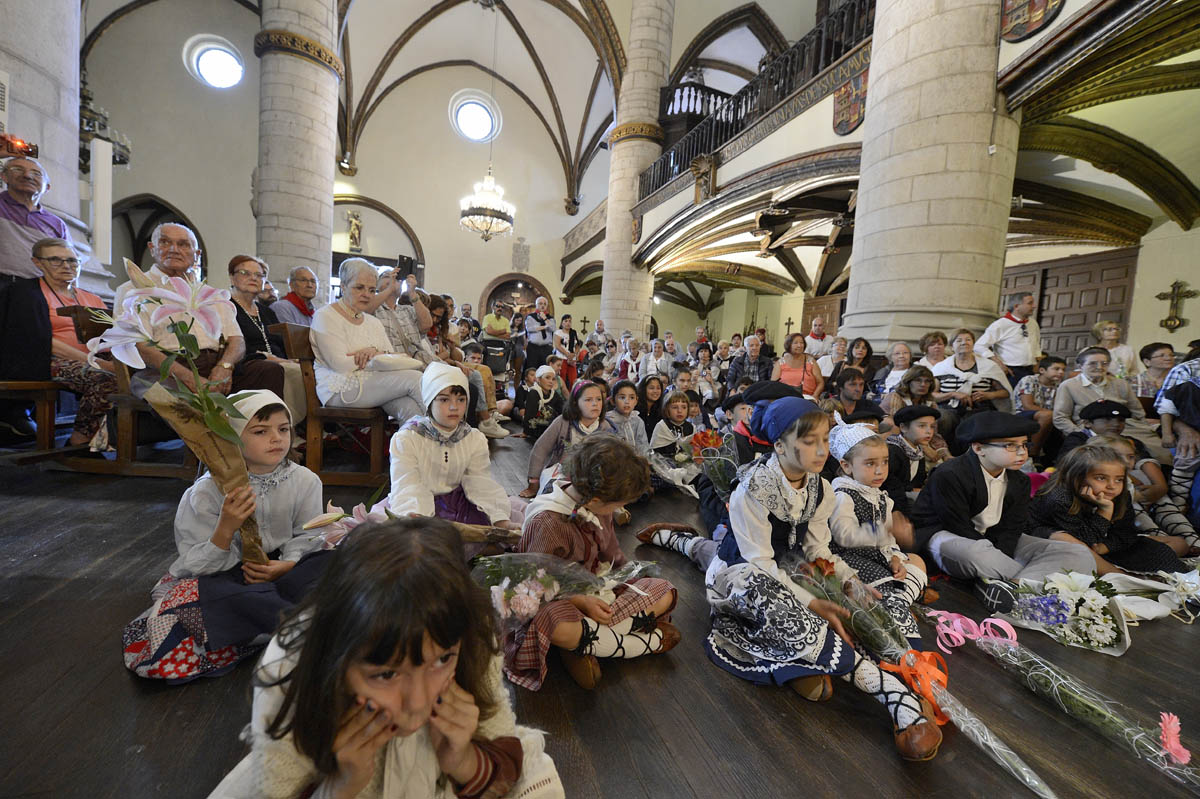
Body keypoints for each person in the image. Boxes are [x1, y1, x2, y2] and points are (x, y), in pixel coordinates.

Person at [211, 518, 561, 798]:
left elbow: (500, 742)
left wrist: (463, 760)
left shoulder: (471, 635)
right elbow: (277, 787)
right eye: (386, 674)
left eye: (442, 660)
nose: (418, 703)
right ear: (336, 660)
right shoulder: (292, 670)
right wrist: (340, 786)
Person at [702, 397, 942, 761]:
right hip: (747, 572)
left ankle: (902, 671)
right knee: (782, 604)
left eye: (825, 440)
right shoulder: (751, 490)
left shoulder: (821, 488)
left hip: (793, 566)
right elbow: (760, 562)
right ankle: (893, 695)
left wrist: (848, 582)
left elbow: (818, 550)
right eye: (808, 440)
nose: (820, 451)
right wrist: (812, 600)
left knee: (858, 602)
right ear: (779, 445)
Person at [121, 391, 330, 682]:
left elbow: (309, 535)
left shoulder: (305, 480)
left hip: (282, 569)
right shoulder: (206, 492)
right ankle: (293, 624)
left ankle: (271, 622)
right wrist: (226, 527)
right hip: (226, 573)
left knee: (332, 562)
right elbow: (196, 563)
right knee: (216, 598)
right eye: (260, 431)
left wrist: (289, 564)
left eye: (283, 429)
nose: (276, 438)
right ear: (230, 439)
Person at [509, 435, 679, 690]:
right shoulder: (548, 523)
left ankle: (591, 641)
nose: (620, 508)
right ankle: (640, 642)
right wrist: (580, 601)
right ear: (595, 501)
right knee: (554, 622)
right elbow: (534, 585)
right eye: (620, 504)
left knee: (663, 590)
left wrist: (629, 581)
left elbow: (612, 553)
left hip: (597, 588)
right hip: (560, 599)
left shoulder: (597, 508)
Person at [909, 412, 1095, 613]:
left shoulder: (1020, 481)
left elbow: (1011, 529)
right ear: (979, 448)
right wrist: (1002, 558)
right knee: (977, 553)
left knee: (1079, 554)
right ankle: (1031, 585)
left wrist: (1003, 557)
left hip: (994, 542)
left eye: (1024, 445)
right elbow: (958, 525)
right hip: (951, 538)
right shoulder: (950, 474)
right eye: (1010, 446)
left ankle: (1009, 587)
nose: (1022, 452)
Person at [123, 223, 262, 400]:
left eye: (183, 244)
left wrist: (225, 366)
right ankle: (206, 417)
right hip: (166, 369)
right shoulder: (132, 291)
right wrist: (189, 378)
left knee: (267, 372)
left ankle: (263, 420)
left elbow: (237, 340)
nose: (174, 249)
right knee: (165, 394)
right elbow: (140, 346)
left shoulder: (211, 294)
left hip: (216, 366)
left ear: (197, 255)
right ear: (152, 248)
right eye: (165, 242)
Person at [826, 421, 928, 646]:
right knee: (884, 588)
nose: (880, 470)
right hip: (850, 560)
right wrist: (885, 530)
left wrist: (894, 557)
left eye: (885, 462)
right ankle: (893, 608)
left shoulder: (882, 497)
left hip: (876, 557)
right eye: (870, 463)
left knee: (916, 562)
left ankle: (895, 604)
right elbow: (844, 535)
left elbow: (888, 542)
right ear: (846, 466)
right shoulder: (843, 495)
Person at [386, 363, 519, 533]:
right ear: (429, 400)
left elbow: (480, 482)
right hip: (418, 505)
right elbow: (407, 484)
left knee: (495, 527)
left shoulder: (473, 438)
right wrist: (414, 516)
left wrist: (499, 519)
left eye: (461, 400)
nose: (454, 407)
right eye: (444, 399)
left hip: (462, 506)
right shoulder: (408, 438)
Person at [1031, 444, 1186, 575]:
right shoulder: (1059, 498)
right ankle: (1119, 575)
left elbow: (1126, 532)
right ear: (1076, 478)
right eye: (1101, 478)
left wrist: (1104, 547)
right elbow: (1083, 542)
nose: (1112, 486)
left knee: (1178, 545)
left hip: (1100, 545)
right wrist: (1105, 510)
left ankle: (1112, 567)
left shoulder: (1120, 494)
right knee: (1068, 541)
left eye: (1119, 479)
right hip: (1059, 543)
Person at [0, 156, 71, 437]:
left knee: (32, 348)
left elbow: (67, 260)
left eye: (36, 173)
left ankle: (18, 412)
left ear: (47, 186)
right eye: (17, 169)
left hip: (34, 291)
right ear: (4, 176)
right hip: (1, 281)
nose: (27, 175)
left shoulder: (55, 223)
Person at [309, 258, 424, 422]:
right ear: (343, 286)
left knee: (409, 407)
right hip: (338, 388)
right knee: (415, 379)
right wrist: (376, 357)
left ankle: (424, 438)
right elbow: (340, 365)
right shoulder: (326, 316)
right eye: (359, 287)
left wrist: (373, 353)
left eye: (371, 290)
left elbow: (393, 357)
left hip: (374, 384)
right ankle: (447, 433)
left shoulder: (373, 322)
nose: (367, 294)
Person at [30, 237, 116, 449]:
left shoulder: (93, 299)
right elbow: (41, 340)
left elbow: (110, 336)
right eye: (55, 260)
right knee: (105, 379)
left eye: (72, 260)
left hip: (96, 357)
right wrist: (97, 363)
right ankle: (79, 441)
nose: (66, 266)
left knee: (141, 373)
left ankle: (125, 438)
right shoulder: (31, 295)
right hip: (50, 359)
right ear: (38, 262)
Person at [1054, 346, 1168, 463]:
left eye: (1104, 363)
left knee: (1160, 451)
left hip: (1125, 427)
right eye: (1092, 363)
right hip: (1092, 429)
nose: (1099, 367)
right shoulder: (1069, 386)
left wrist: (1141, 426)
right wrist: (1080, 432)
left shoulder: (1121, 384)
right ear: (1080, 366)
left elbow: (1137, 412)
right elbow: (1060, 417)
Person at [1087, 434, 1197, 554]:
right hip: (1104, 539)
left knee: (1179, 543)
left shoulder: (1127, 480)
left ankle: (1189, 538)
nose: (1127, 462)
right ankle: (1157, 538)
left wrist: (1146, 496)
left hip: (1124, 535)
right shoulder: (1092, 483)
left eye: (1131, 457)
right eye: (1117, 456)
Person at [521, 379, 617, 498]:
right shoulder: (563, 422)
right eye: (588, 400)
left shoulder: (606, 428)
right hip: (561, 475)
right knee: (553, 496)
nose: (595, 404)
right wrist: (534, 481)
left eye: (599, 399)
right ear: (575, 403)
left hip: (591, 479)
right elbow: (540, 449)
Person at [226, 255, 291, 409]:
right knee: (280, 370)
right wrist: (268, 357)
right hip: (247, 364)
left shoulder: (267, 312)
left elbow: (281, 342)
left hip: (279, 362)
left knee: (308, 370)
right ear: (232, 278)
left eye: (259, 275)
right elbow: (229, 343)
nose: (253, 278)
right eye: (245, 273)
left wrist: (291, 359)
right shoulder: (226, 306)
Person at [930, 328, 1011, 450]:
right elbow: (932, 395)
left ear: (973, 344)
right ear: (952, 347)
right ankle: (943, 452)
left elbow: (1005, 392)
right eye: (959, 340)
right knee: (942, 419)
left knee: (974, 422)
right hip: (948, 408)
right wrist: (953, 394)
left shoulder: (989, 366)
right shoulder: (941, 368)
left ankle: (972, 455)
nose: (964, 343)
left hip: (979, 408)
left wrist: (988, 395)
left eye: (968, 340)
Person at [882, 405, 939, 529]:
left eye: (932, 426)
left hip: (907, 497)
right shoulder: (893, 451)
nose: (929, 431)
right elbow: (889, 484)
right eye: (922, 426)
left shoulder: (918, 452)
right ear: (903, 427)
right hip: (893, 501)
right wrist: (912, 490)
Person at [1157, 362, 1200, 512]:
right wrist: (1167, 434)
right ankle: (1177, 501)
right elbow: (1166, 408)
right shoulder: (1187, 385)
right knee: (1187, 457)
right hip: (1192, 430)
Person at [975, 292, 1041, 383]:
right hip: (1010, 371)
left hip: (1030, 370)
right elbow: (979, 346)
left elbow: (1036, 344)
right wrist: (999, 364)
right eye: (1030, 303)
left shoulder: (1033, 323)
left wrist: (1037, 364)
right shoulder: (1000, 324)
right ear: (1016, 306)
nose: (1034, 306)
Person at [1013, 355, 1066, 462]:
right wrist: (1055, 415)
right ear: (1042, 370)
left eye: (1063, 369)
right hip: (1022, 415)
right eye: (1056, 369)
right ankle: (1033, 454)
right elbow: (1028, 406)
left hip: (1048, 416)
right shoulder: (1029, 380)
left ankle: (1055, 460)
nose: (1061, 372)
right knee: (1048, 416)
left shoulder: (1060, 385)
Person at [522, 365, 563, 441]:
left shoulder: (553, 394)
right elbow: (529, 417)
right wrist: (525, 432)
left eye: (553, 379)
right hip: (536, 430)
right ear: (538, 379)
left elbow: (563, 410)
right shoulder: (533, 393)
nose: (551, 381)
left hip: (549, 427)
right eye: (547, 378)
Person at [1133, 342, 1174, 413]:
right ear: (1147, 362)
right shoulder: (1132, 381)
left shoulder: (1177, 382)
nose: (1169, 358)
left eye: (1171, 355)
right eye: (1162, 355)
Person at [523, 296, 555, 371]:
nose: (542, 306)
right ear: (536, 305)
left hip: (546, 348)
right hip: (533, 348)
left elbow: (553, 328)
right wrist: (545, 327)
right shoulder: (530, 317)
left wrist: (545, 318)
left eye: (544, 304)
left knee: (545, 370)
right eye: (540, 303)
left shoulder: (550, 318)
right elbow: (530, 328)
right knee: (532, 369)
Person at [552, 314, 581, 386]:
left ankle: (572, 392)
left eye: (570, 321)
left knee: (573, 378)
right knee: (562, 378)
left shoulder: (574, 333)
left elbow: (578, 345)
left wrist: (575, 354)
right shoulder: (558, 332)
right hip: (561, 358)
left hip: (572, 359)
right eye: (566, 321)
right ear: (562, 323)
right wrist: (567, 354)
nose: (568, 323)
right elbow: (557, 345)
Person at [636, 374, 665, 440]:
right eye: (651, 388)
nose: (655, 391)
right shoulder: (635, 409)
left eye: (658, 388)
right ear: (644, 389)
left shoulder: (662, 410)